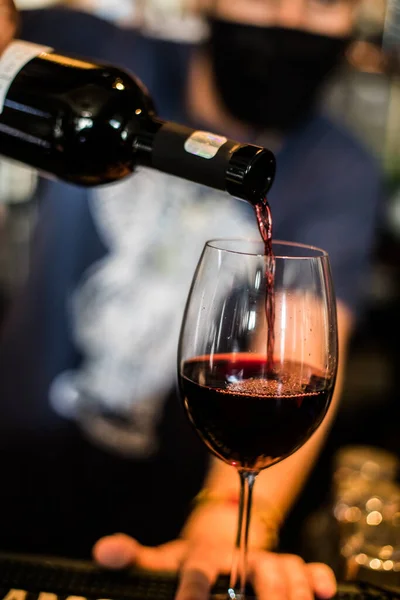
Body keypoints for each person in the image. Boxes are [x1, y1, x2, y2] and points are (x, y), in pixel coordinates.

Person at [0, 1, 381, 600]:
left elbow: (297, 354)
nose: (288, 17)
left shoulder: (341, 169)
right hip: (12, 466)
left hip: (169, 517)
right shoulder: (94, 59)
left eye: (323, 3)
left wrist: (228, 519)